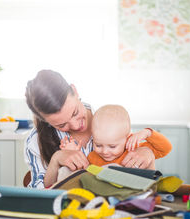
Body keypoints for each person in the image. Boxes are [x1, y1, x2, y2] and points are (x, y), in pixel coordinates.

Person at [24, 70, 156, 188]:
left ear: (74, 91)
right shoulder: (36, 140)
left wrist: (148, 155)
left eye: (75, 112)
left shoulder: (111, 120)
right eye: (61, 125)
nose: (76, 126)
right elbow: (38, 192)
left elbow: (141, 183)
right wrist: (56, 160)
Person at [61, 104, 172, 169]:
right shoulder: (92, 157)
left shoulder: (133, 148)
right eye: (98, 145)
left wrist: (147, 133)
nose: (104, 151)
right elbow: (81, 176)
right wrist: (73, 153)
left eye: (112, 146)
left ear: (127, 138)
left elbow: (166, 149)